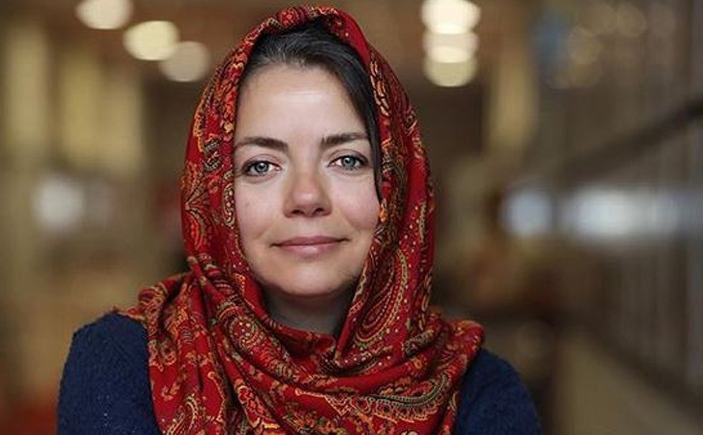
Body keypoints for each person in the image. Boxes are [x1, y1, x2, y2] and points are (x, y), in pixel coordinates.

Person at [58, 6, 541, 434]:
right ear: (215, 193)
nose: (306, 197)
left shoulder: (478, 391)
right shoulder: (125, 364)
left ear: (396, 187)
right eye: (261, 166)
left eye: (347, 160)